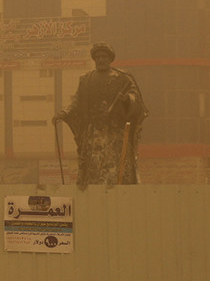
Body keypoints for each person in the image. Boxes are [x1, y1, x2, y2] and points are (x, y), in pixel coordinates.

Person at [53, 43, 148, 188]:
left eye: (104, 56)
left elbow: (137, 99)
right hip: (94, 135)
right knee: (93, 171)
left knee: (117, 170)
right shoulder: (86, 80)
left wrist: (127, 100)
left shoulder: (123, 78)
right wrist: (64, 113)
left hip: (116, 133)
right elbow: (76, 101)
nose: (100, 59)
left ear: (110, 59)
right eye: (97, 57)